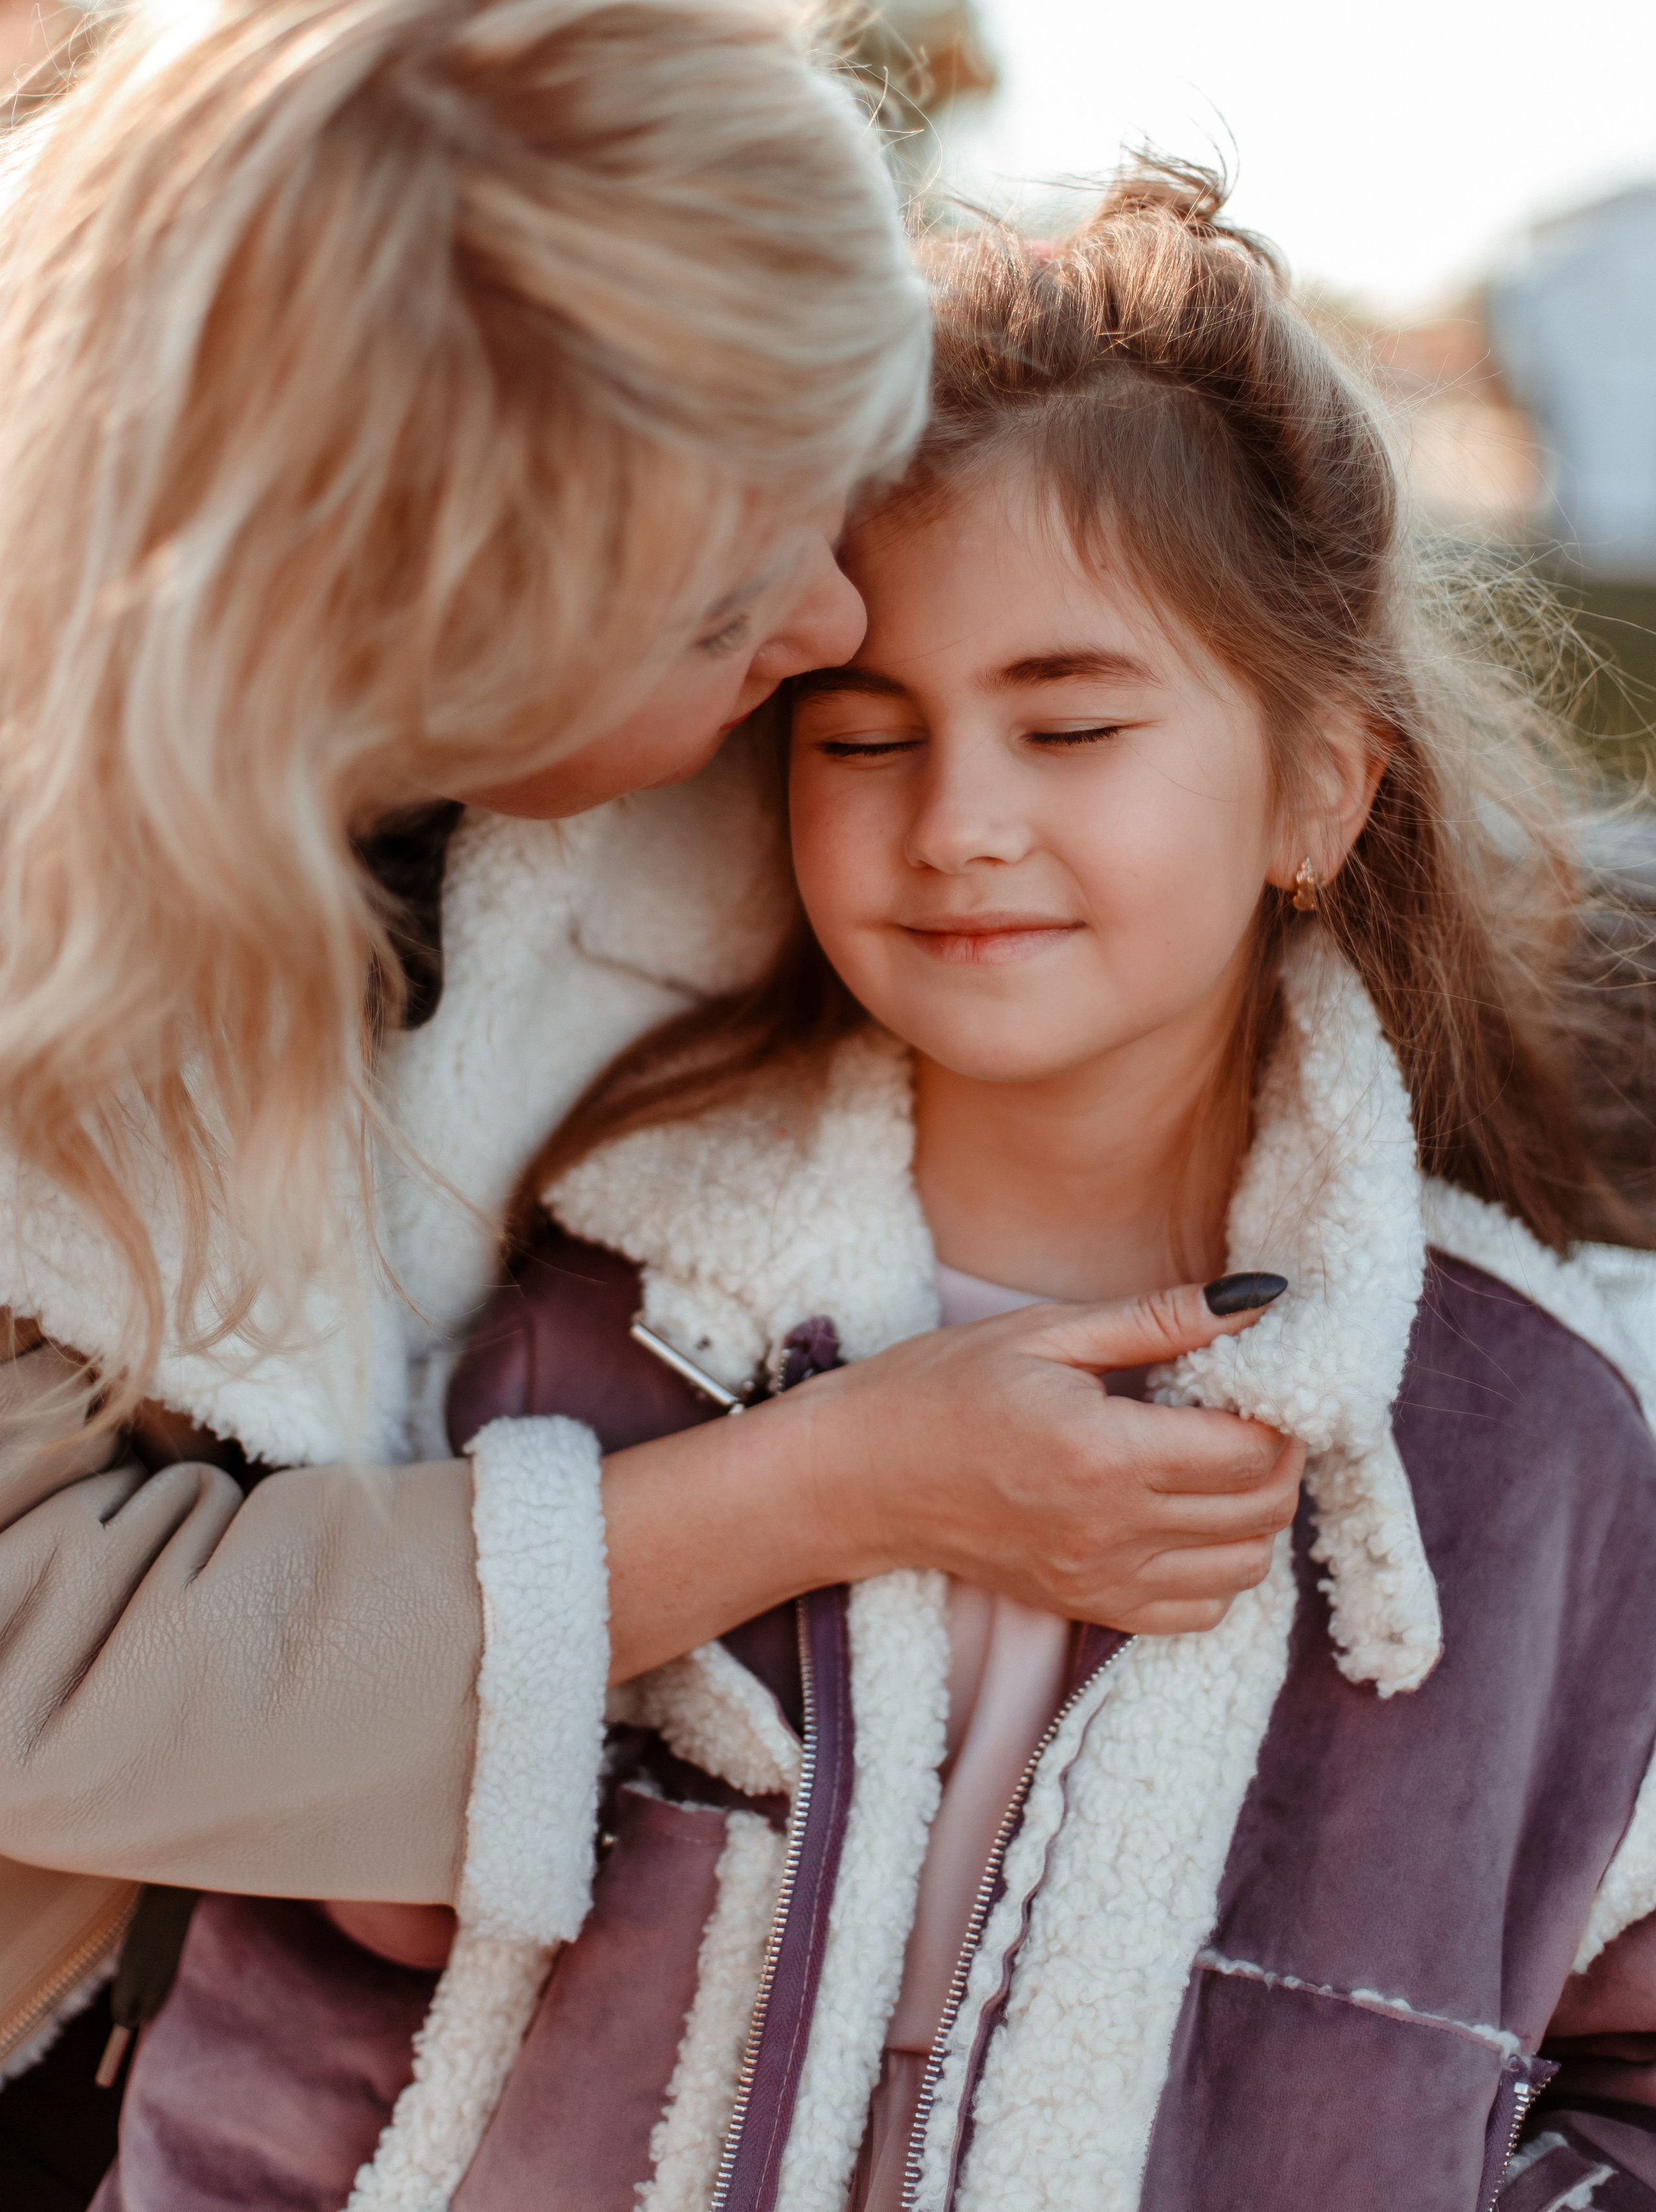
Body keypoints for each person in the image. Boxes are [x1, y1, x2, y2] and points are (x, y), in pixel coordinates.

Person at [108, 162, 1656, 2210]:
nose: (959, 824)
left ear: (1314, 786)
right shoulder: (602, 1328)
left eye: (1073, 722)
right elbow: (287, 2059)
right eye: (866, 736)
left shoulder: (1533, 1441)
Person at [0, 0, 1302, 2188]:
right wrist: (824, 1486)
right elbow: (36, 1658)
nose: (826, 622)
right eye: (725, 605)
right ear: (410, 630)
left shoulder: (709, 728)